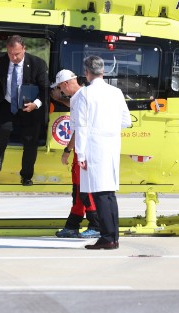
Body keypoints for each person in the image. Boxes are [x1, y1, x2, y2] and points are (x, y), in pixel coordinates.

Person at [73, 55, 131, 250]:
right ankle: (113, 236)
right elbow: (126, 121)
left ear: (86, 73)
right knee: (109, 193)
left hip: (93, 145)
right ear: (103, 72)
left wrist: (80, 154)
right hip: (112, 144)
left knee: (100, 193)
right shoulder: (116, 92)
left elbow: (80, 126)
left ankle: (107, 237)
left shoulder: (84, 94)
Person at [0, 35, 49, 185]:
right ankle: (0, 154)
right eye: (10, 54)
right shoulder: (1, 63)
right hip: (8, 103)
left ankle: (26, 175)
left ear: (24, 49)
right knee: (3, 128)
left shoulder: (37, 64)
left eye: (17, 54)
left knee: (30, 141)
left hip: (30, 106)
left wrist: (36, 104)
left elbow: (45, 88)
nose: (13, 57)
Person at [50, 69, 100, 239]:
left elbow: (80, 129)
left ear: (65, 84)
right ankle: (72, 225)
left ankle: (96, 225)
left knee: (84, 190)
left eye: (60, 88)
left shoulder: (81, 99)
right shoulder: (80, 97)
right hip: (83, 149)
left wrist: (67, 150)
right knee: (78, 190)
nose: (60, 91)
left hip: (84, 150)